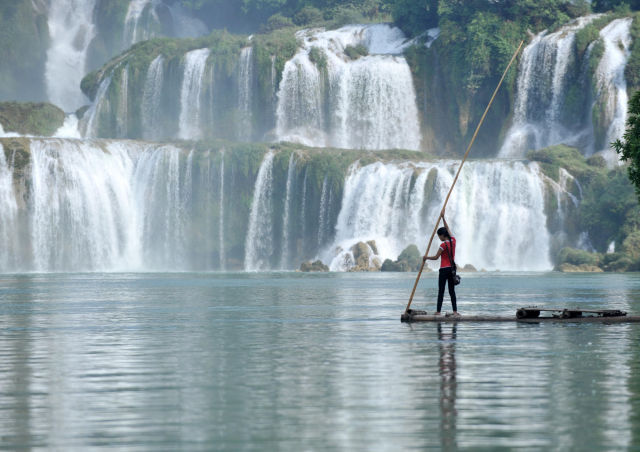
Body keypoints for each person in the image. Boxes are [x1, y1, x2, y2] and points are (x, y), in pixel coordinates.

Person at [423, 213, 459, 316]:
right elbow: (448, 228)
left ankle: (438, 312)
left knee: (441, 291)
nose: (439, 238)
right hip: (452, 269)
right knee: (452, 292)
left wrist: (426, 258)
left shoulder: (443, 245)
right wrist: (443, 218)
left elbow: (436, 257)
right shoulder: (453, 241)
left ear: (443, 235)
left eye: (439, 236)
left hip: (444, 270)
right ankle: (455, 311)